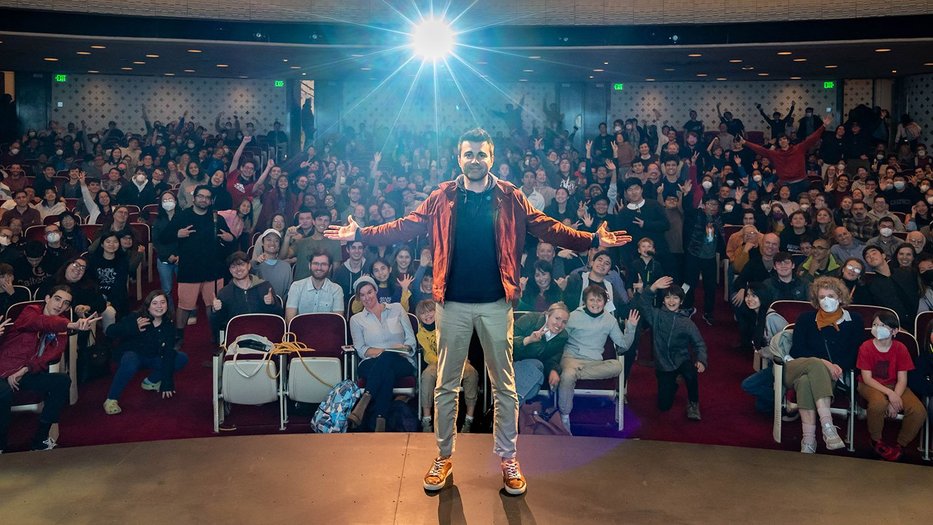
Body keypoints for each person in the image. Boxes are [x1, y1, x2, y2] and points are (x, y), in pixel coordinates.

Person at [326, 128, 630, 495]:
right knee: (445, 385)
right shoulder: (442, 196)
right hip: (451, 304)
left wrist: (593, 240)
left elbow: (548, 228)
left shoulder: (510, 197)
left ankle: (508, 459)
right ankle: (442, 457)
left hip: (495, 304)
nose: (475, 160)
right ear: (459, 158)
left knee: (505, 385)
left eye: (481, 155)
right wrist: (361, 235)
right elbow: (405, 226)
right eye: (468, 154)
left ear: (492, 157)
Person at [0, 286, 99, 452]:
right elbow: (43, 323)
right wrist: (71, 324)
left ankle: (40, 439)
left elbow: (48, 358)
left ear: (68, 308)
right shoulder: (30, 312)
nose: (60, 305)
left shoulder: (61, 332)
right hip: (4, 368)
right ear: (47, 298)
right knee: (4, 393)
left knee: (62, 381)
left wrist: (24, 370)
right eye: (57, 299)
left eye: (65, 303)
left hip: (25, 373)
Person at [785, 277, 864, 454]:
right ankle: (827, 426)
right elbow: (798, 350)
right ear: (816, 299)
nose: (826, 300)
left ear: (841, 297)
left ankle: (808, 440)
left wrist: (836, 366)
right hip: (798, 368)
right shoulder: (805, 319)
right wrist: (824, 363)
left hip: (833, 375)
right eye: (821, 297)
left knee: (806, 382)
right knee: (814, 365)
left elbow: (855, 351)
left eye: (830, 295)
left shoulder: (855, 320)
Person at [159, 185, 234, 345]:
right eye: (201, 196)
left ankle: (215, 336)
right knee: (185, 305)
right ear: (194, 198)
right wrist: (177, 234)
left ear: (211, 201)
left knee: (213, 305)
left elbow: (230, 239)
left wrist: (230, 238)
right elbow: (163, 237)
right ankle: (179, 336)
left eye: (207, 197)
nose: (203, 200)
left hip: (213, 269)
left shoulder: (217, 218)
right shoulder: (182, 216)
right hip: (189, 268)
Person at [559, 286, 638, 432]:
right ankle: (564, 417)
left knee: (617, 367)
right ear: (585, 301)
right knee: (568, 374)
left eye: (599, 300)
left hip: (594, 363)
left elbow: (623, 346)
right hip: (571, 359)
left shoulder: (609, 320)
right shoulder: (574, 316)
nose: (595, 303)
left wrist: (631, 328)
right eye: (592, 300)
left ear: (605, 302)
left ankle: (576, 373)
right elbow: (559, 338)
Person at [102, 291, 188, 415]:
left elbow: (168, 352)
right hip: (133, 356)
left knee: (181, 358)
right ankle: (111, 399)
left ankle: (150, 382)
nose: (159, 306)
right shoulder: (136, 317)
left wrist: (167, 381)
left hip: (152, 356)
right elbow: (110, 331)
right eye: (155, 303)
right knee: (130, 359)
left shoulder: (168, 324)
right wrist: (132, 327)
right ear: (148, 305)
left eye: (162, 302)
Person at [348, 276, 416, 432]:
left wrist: (401, 348)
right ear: (359, 298)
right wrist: (386, 352)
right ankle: (381, 420)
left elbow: (411, 340)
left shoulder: (397, 308)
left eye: (369, 292)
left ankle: (365, 400)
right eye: (362, 295)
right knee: (387, 369)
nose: (367, 297)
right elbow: (361, 349)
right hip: (370, 362)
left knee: (388, 360)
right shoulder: (356, 320)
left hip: (401, 360)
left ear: (376, 291)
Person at [856, 312, 926, 461]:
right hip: (870, 384)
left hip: (895, 385)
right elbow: (867, 379)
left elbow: (902, 379)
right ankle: (876, 440)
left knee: (918, 411)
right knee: (878, 404)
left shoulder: (900, 348)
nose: (877, 328)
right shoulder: (866, 347)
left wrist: (895, 398)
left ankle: (900, 444)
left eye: (882, 325)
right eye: (875, 325)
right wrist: (890, 394)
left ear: (895, 331)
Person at [637, 276, 708, 419]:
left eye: (675, 298)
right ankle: (674, 381)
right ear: (663, 300)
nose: (671, 301)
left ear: (681, 301)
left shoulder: (686, 322)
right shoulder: (656, 316)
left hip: (681, 359)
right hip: (663, 364)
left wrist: (701, 359)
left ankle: (693, 403)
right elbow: (643, 304)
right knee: (663, 406)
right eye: (668, 298)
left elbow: (699, 343)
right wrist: (653, 288)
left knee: (690, 373)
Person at [416, 299, 478, 434]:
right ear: (419, 317)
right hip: (436, 363)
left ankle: (469, 419)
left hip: (456, 360)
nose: (427, 315)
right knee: (427, 376)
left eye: (430, 311)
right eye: (423, 313)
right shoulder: (421, 333)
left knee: (472, 373)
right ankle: (427, 419)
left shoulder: (449, 325)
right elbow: (428, 355)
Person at [210, 252, 282, 336]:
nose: (238, 269)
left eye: (241, 265)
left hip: (264, 335)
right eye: (233, 267)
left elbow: (279, 316)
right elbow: (216, 326)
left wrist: (272, 303)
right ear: (230, 270)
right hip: (237, 338)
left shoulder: (264, 286)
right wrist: (215, 311)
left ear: (248, 266)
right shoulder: (224, 293)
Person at [511, 303, 570, 404]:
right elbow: (505, 343)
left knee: (536, 383)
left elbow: (553, 359)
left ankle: (511, 408)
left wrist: (553, 370)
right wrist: (528, 340)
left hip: (534, 370)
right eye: (557, 318)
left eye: (564, 322)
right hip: (510, 364)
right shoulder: (530, 319)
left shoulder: (562, 336)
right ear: (547, 315)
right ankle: (511, 407)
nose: (559, 325)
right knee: (537, 374)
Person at [284, 251, 343, 322]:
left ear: (330, 268)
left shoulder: (336, 290)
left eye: (324, 264)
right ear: (309, 266)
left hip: (326, 332)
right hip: (300, 332)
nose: (319, 268)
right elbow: (290, 321)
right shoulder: (296, 286)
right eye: (316, 263)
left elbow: (337, 322)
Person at [252, 229, 292, 300]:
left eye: (276, 241)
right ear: (262, 243)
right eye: (269, 240)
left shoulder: (286, 267)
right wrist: (255, 262)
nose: (272, 243)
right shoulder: (255, 265)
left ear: (279, 246)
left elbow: (288, 292)